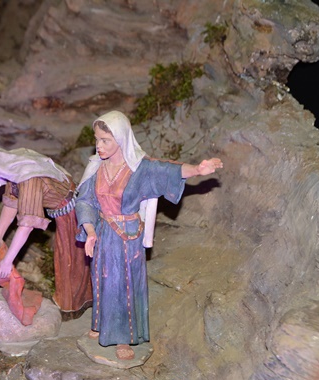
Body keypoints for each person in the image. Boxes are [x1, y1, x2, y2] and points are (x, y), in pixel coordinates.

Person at [75, 110, 223, 360]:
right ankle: (101, 324)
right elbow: (85, 201)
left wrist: (197, 170)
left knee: (124, 285)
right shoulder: (96, 167)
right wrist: (90, 231)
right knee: (102, 280)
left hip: (127, 238)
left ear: (121, 139)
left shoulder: (140, 169)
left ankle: (124, 337)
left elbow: (168, 171)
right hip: (103, 234)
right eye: (97, 139)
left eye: (105, 140)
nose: (98, 145)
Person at [0, 139, 93, 316]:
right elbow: (11, 204)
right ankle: (70, 300)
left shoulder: (28, 178)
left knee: (70, 259)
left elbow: (26, 225)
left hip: (71, 213)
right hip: (60, 211)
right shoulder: (11, 169)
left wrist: (8, 261)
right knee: (66, 258)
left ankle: (74, 304)